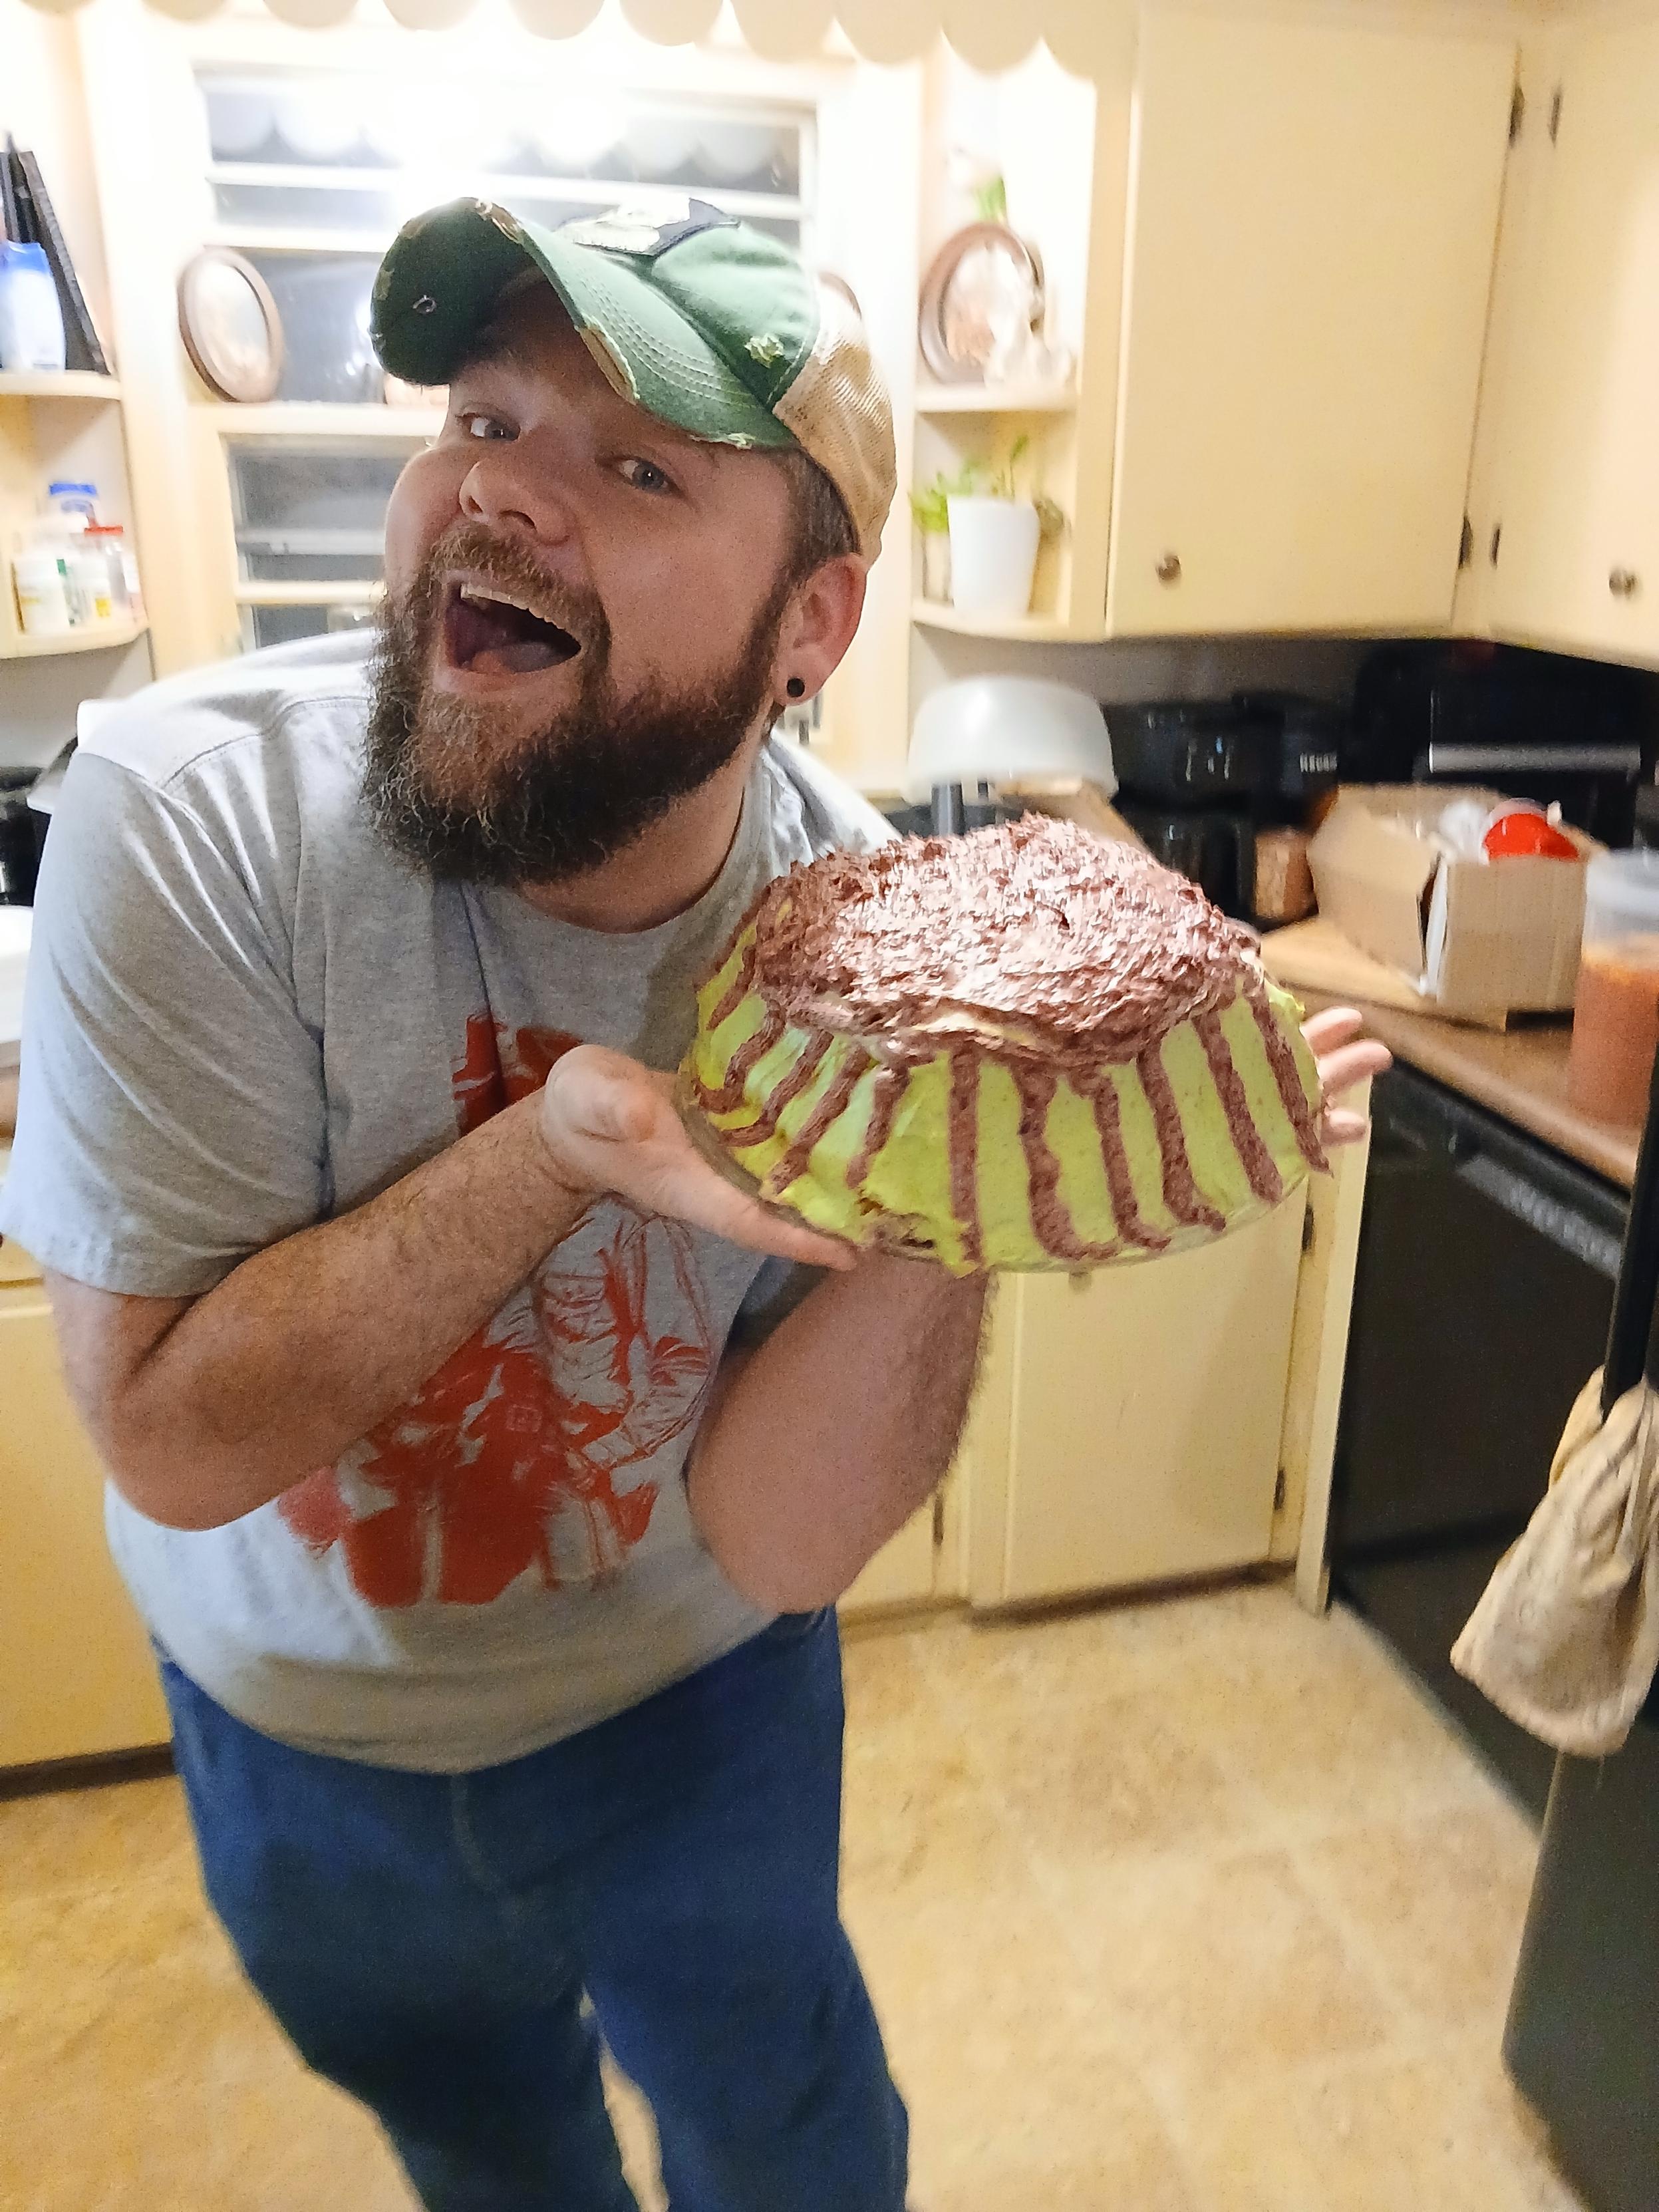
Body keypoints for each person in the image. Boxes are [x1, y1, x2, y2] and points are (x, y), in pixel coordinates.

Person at [1, 196, 1388, 2212]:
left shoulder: (855, 939)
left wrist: (973, 1154)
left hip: (697, 1726)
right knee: (494, 2154)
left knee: (791, 2138)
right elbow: (174, 1437)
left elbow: (775, 1528)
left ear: (810, 627)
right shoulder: (188, 820)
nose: (498, 492)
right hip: (303, 1751)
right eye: (478, 415)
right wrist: (559, 1141)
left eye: (635, 462)